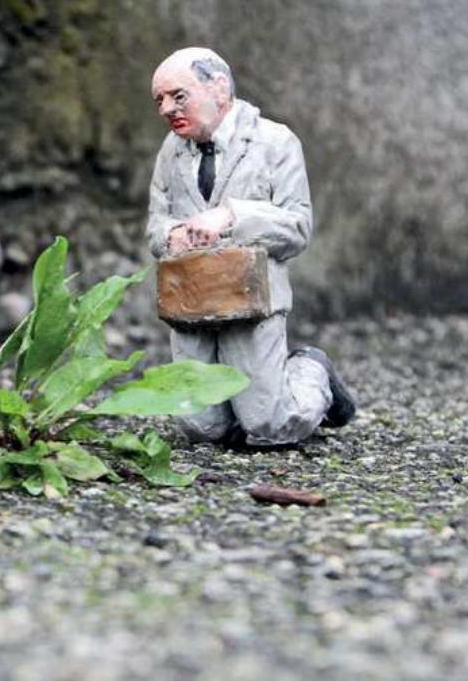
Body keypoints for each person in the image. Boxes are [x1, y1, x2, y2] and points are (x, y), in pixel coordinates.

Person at [145, 47, 356, 447]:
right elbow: (156, 224)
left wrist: (231, 217)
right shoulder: (171, 153)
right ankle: (240, 402)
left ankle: (311, 371)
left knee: (271, 426)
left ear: (219, 88)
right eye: (159, 100)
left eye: (178, 96)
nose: (166, 109)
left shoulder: (275, 141)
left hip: (250, 300)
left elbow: (297, 226)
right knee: (200, 428)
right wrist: (171, 235)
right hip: (191, 301)